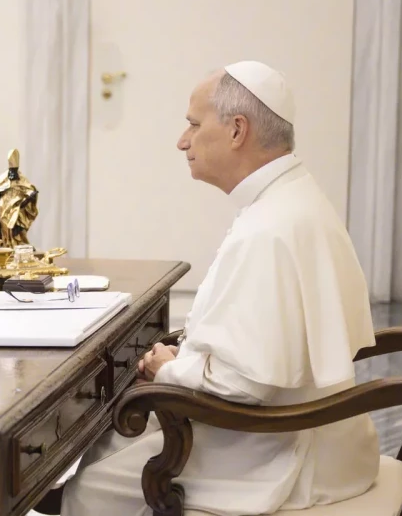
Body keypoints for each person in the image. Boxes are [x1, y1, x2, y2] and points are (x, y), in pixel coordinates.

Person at [57, 61, 380, 516]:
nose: (182, 140)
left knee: (91, 486)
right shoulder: (289, 197)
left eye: (193, 123)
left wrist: (170, 369)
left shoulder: (271, 228)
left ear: (236, 130)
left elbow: (242, 384)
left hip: (281, 450)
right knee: (113, 440)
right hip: (304, 430)